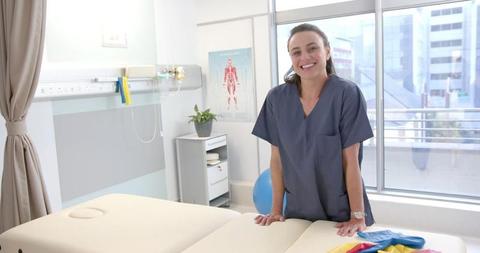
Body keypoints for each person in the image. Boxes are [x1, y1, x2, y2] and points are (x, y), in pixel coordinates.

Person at [252, 23, 374, 237]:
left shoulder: (347, 94)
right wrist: (276, 211)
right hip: (298, 212)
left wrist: (357, 216)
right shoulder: (276, 99)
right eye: (296, 52)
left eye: (312, 48)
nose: (305, 57)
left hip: (341, 214)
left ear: (327, 51)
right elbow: (277, 159)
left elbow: (351, 161)